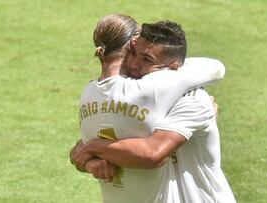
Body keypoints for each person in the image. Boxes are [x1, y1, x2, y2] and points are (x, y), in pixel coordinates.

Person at [71, 13, 227, 203]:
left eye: (147, 59)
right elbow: (215, 67)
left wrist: (90, 152)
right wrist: (88, 156)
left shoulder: (89, 93)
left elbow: (80, 150)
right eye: (135, 54)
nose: (135, 64)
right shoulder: (148, 90)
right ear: (131, 45)